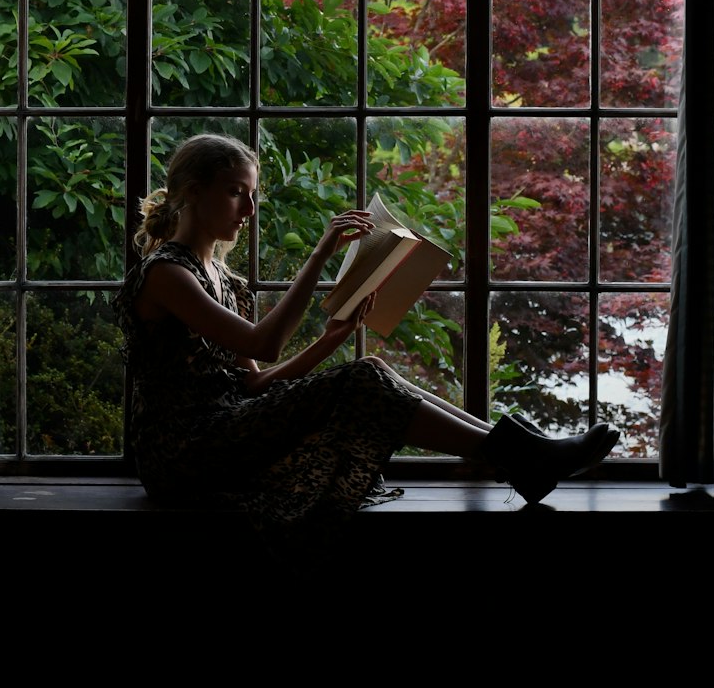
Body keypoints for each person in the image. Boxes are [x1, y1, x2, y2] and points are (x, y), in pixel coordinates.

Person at [114, 132, 619, 543]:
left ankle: (515, 451)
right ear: (192, 192)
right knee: (361, 380)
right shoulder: (166, 274)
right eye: (234, 191)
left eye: (251, 194)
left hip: (226, 430)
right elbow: (262, 345)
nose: (248, 208)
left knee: (371, 371)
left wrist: (332, 338)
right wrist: (319, 256)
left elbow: (254, 384)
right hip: (183, 455)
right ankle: (521, 456)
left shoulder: (226, 280)